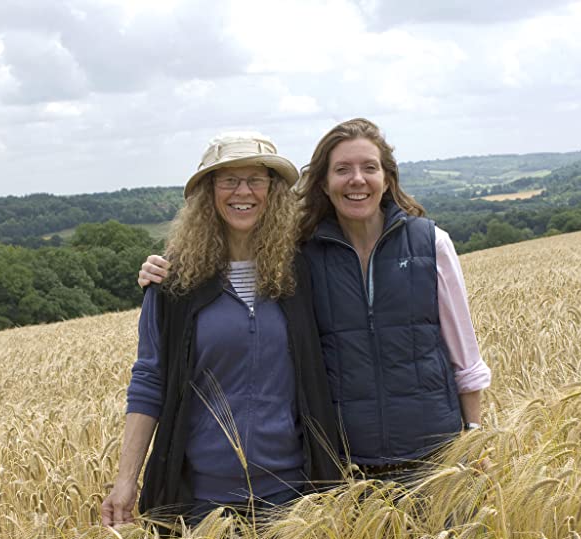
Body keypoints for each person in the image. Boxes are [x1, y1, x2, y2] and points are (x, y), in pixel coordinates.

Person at [139, 119, 491, 480]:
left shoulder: (430, 245)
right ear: (324, 182)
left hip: (439, 458)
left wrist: (474, 435)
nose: (357, 180)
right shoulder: (303, 257)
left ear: (387, 178)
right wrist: (163, 272)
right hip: (347, 469)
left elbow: (466, 359)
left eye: (369, 168)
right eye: (342, 170)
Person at [101, 132, 342, 530]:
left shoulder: (304, 272)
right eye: (228, 180)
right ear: (209, 193)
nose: (241, 191)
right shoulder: (173, 284)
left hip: (293, 497)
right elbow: (148, 381)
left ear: (274, 191)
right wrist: (125, 482)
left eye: (255, 180)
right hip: (199, 504)